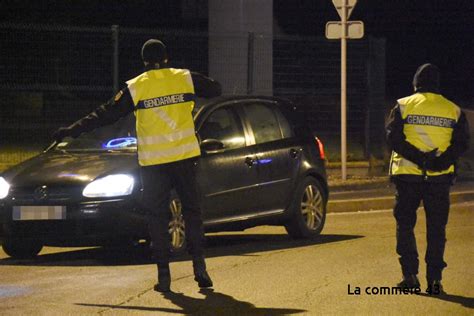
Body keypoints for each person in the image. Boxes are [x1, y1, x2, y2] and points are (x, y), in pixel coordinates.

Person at [53, 39, 222, 293]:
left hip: (154, 164)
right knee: (192, 213)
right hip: (185, 159)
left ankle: (164, 277)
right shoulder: (184, 78)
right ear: (167, 57)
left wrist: (72, 130)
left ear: (143, 61)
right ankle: (200, 269)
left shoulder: (136, 86)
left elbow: (104, 114)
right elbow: (215, 89)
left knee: (156, 218)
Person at [385, 63, 470, 294]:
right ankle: (435, 280)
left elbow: (394, 138)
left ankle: (410, 276)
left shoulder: (403, 105)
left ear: (415, 84)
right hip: (439, 178)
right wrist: (439, 162)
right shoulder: (453, 110)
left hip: (408, 177)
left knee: (405, 225)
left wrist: (419, 158)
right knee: (436, 229)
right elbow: (461, 143)